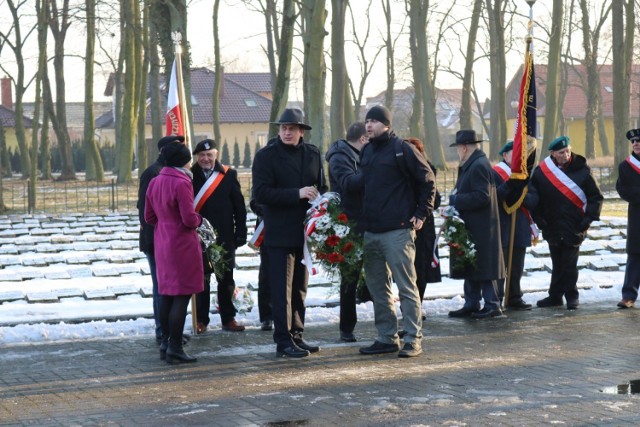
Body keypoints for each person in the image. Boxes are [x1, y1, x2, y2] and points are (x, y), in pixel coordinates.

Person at [358, 105, 436, 358]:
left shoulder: (403, 149)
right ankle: (386, 337)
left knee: (406, 287)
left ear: (387, 124)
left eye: (374, 121)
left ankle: (413, 338)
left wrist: (421, 213)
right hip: (371, 231)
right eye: (367, 121)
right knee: (378, 288)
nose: (368, 125)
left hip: (398, 231)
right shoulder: (367, 151)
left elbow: (428, 181)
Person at [252, 108, 327, 358]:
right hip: (279, 232)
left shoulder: (313, 154)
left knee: (299, 289)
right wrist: (297, 193)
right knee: (282, 290)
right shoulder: (266, 156)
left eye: (292, 128)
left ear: (301, 131)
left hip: (304, 232)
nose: (286, 132)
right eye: (283, 128)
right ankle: (283, 341)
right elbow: (261, 193)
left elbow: (321, 186)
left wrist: (322, 203)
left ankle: (297, 334)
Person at [527, 135, 603, 310]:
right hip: (552, 225)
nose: (566, 155)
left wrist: (588, 220)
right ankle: (555, 296)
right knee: (557, 263)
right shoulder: (541, 173)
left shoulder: (582, 169)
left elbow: (595, 197)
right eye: (561, 152)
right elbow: (534, 198)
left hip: (575, 225)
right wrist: (540, 221)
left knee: (569, 264)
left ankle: (571, 296)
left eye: (568, 150)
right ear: (553, 153)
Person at [144, 142, 204, 364]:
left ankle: (165, 343)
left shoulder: (155, 181)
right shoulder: (182, 182)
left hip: (163, 242)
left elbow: (149, 217)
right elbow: (189, 219)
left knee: (167, 294)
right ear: (184, 160)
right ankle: (176, 347)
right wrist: (199, 219)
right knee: (182, 295)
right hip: (182, 244)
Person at [191, 139, 247, 333]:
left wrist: (241, 232)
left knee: (226, 279)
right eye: (202, 155)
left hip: (224, 236)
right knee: (201, 280)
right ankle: (200, 320)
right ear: (197, 157)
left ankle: (228, 318)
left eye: (209, 155)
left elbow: (239, 206)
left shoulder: (228, 174)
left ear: (216, 155)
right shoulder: (189, 176)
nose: (206, 159)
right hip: (197, 237)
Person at [448, 129, 505, 319]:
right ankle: (471, 303)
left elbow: (482, 196)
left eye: (458, 148)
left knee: (483, 266)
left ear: (464, 148)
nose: (457, 151)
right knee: (471, 264)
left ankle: (492, 304)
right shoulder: (472, 163)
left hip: (482, 227)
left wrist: (456, 200)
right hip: (473, 225)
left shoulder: (478, 165)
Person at [138, 135, 185, 344]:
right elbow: (145, 211)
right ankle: (162, 331)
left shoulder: (167, 173)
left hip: (166, 240)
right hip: (157, 241)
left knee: (169, 287)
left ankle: (170, 331)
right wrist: (156, 239)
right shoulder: (153, 174)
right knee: (161, 288)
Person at [325, 121, 368, 343]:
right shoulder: (340, 157)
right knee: (349, 279)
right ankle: (347, 327)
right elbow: (349, 185)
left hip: (367, 221)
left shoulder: (355, 155)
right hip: (350, 225)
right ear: (363, 139)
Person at [492, 140, 533, 310]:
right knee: (501, 265)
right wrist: (511, 189)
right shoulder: (495, 173)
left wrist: (520, 196)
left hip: (521, 224)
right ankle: (498, 297)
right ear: (505, 155)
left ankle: (515, 296)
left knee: (517, 265)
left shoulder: (525, 174)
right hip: (502, 224)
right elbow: (495, 197)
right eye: (515, 155)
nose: (519, 159)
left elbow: (535, 197)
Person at [405, 137, 442, 310]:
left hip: (423, 226)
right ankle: (413, 307)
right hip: (407, 225)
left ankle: (416, 306)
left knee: (421, 269)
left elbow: (436, 199)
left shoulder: (427, 170)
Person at [615, 129, 640, 309]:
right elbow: (623, 190)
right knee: (635, 256)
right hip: (637, 215)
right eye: (634, 142)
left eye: (639, 141)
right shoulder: (626, 166)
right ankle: (628, 295)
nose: (636, 144)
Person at [249, 196, 273, 331]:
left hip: (289, 226)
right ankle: (267, 316)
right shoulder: (264, 174)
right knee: (266, 275)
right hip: (267, 229)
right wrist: (268, 210)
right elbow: (254, 201)